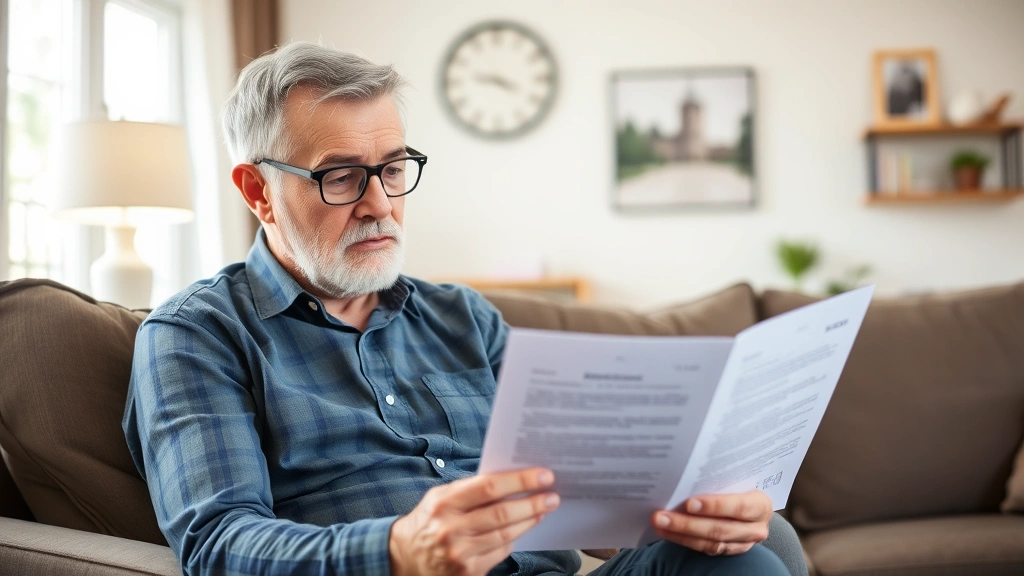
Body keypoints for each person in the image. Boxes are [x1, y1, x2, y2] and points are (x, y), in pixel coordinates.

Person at [123, 42, 803, 576]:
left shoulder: (463, 319)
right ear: (257, 191)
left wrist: (683, 513)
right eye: (341, 176)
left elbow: (582, 507)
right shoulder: (196, 335)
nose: (381, 204)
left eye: (393, 168)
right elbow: (217, 542)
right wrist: (398, 552)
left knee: (755, 532)